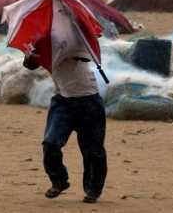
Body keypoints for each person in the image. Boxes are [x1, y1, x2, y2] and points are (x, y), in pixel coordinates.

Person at [22, 12, 108, 204]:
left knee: (93, 150)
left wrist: (61, 46)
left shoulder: (78, 35)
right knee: (50, 144)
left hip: (89, 100)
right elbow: (30, 64)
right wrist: (33, 56)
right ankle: (59, 181)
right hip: (62, 101)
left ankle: (93, 190)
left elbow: (87, 56)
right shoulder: (42, 39)